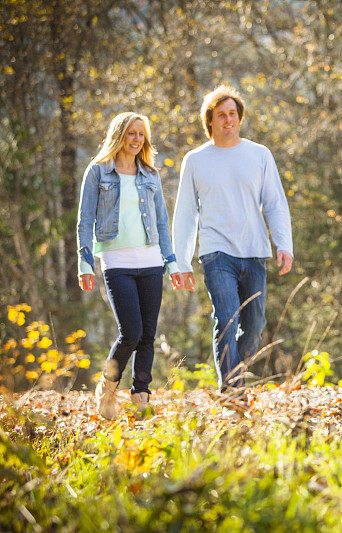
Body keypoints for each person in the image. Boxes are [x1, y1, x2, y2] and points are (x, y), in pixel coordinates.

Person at [172, 84, 293, 395]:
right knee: (226, 319)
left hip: (254, 252)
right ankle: (232, 390)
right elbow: (185, 213)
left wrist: (284, 245)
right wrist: (180, 261)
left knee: (254, 325)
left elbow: (275, 202)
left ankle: (236, 376)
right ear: (209, 120)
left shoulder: (259, 154)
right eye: (221, 115)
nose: (228, 120)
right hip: (215, 253)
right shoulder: (196, 160)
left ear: (240, 118)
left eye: (232, 114)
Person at [76, 112, 182, 420]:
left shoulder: (149, 174)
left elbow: (162, 221)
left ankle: (141, 396)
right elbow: (85, 220)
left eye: (141, 134)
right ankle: (108, 387)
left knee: (148, 334)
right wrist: (84, 264)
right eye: (131, 133)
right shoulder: (98, 172)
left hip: (151, 261)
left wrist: (171, 261)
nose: (136, 139)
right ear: (119, 134)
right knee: (131, 332)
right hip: (116, 261)